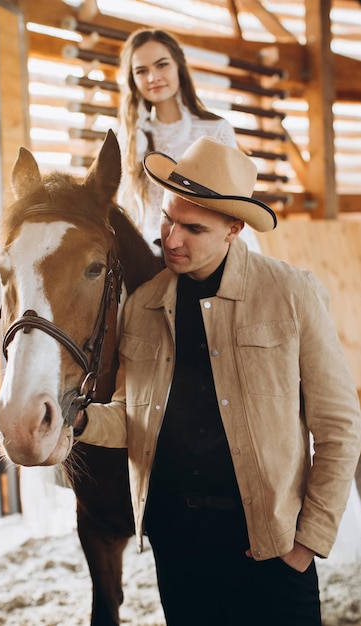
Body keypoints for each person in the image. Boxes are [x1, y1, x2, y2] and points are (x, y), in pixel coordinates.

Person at [75, 136, 361, 625]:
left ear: (233, 229)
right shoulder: (142, 305)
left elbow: (339, 426)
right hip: (175, 536)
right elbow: (131, 419)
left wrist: (309, 539)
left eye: (193, 228)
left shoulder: (292, 294)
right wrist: (74, 420)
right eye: (167, 218)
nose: (171, 238)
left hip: (271, 543)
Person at [117, 28, 259, 254]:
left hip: (212, 249)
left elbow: (232, 203)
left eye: (162, 65)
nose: (153, 77)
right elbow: (126, 207)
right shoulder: (129, 137)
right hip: (155, 249)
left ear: (179, 67)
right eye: (141, 71)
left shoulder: (216, 129)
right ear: (132, 80)